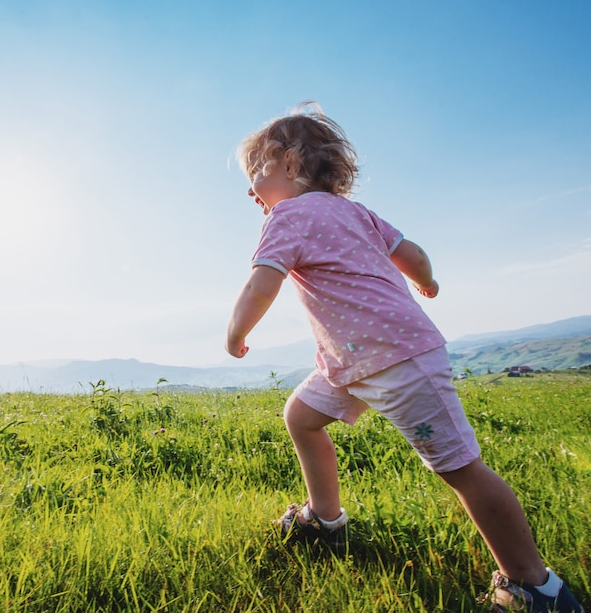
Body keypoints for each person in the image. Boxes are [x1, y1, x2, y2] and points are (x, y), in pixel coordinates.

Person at [225, 102, 584, 613]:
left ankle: (535, 586)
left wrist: (237, 330)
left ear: (288, 162)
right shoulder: (356, 212)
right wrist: (426, 281)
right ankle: (325, 520)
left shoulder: (288, 215)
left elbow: (262, 284)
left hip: (397, 357)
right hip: (349, 359)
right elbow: (411, 252)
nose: (250, 188)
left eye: (255, 171)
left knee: (460, 467)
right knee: (302, 416)